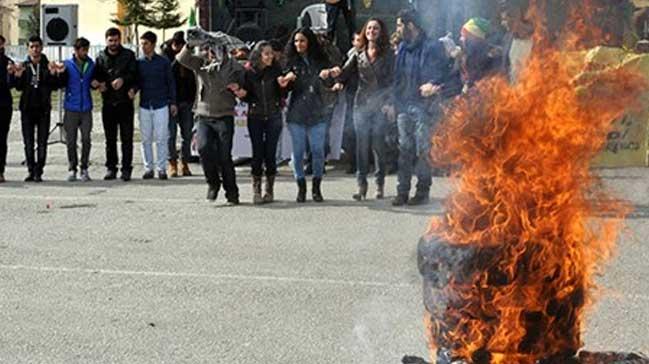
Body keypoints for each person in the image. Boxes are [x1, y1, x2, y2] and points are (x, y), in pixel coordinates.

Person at [387, 9, 449, 206]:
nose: (397, 29)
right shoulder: (404, 47)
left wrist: (433, 84)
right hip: (404, 106)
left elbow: (442, 73)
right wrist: (391, 102)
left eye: (399, 25)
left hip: (424, 107)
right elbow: (397, 78)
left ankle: (422, 191)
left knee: (423, 150)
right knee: (404, 150)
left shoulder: (432, 47)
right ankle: (402, 191)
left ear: (410, 25)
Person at [330, 18, 394, 201]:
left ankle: (379, 183)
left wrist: (389, 102)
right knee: (361, 146)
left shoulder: (388, 54)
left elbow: (393, 80)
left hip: (380, 104)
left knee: (378, 145)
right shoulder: (358, 54)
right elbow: (345, 73)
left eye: (376, 28)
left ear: (381, 32)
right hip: (361, 105)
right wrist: (335, 78)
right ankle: (361, 185)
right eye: (369, 28)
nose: (372, 31)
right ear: (365, 32)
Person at [176, 42, 244, 204]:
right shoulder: (201, 63)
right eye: (210, 50)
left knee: (224, 156)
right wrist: (190, 44)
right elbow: (181, 59)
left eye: (216, 50)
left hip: (224, 115)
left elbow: (243, 85)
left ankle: (232, 192)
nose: (212, 53)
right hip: (203, 115)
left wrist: (238, 87)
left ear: (224, 50)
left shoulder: (233, 66)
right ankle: (213, 183)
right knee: (203, 148)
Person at [282, 27, 334, 203]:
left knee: (318, 151)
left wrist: (328, 76)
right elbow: (282, 88)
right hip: (296, 112)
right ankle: (301, 186)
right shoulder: (290, 61)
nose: (299, 44)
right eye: (296, 41)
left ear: (309, 41)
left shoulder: (320, 60)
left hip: (317, 111)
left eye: (302, 40)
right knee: (297, 152)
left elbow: (330, 82)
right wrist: (286, 81)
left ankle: (316, 187)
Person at [235, 41, 288, 204]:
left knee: (270, 153)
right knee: (257, 153)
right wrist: (240, 93)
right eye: (267, 54)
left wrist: (284, 85)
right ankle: (256, 189)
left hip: (273, 115)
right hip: (255, 115)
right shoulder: (249, 72)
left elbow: (282, 92)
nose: (270, 56)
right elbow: (245, 94)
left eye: (271, 53)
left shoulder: (276, 69)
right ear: (259, 56)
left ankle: (269, 189)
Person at [12, 36, 62, 182]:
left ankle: (39, 170)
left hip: (43, 109)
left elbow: (55, 86)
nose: (35, 49)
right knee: (28, 141)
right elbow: (19, 87)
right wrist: (18, 76)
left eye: (37, 46)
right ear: (28, 48)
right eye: (32, 46)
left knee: (42, 141)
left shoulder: (47, 65)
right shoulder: (24, 65)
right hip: (27, 109)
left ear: (42, 47)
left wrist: (54, 74)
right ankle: (30, 170)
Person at [132, 31, 177, 180]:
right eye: (141, 43)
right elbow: (137, 81)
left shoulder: (163, 62)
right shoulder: (139, 63)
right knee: (145, 138)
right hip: (145, 104)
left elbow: (170, 82)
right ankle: (148, 168)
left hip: (161, 104)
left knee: (162, 137)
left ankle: (162, 168)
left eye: (145, 43)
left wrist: (172, 102)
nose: (142, 46)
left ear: (153, 44)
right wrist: (133, 89)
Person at [94, 27, 137, 181]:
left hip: (125, 103)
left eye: (116, 40)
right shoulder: (100, 57)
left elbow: (135, 75)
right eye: (110, 40)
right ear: (106, 41)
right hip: (108, 103)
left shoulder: (129, 55)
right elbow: (95, 77)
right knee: (110, 139)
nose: (113, 43)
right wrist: (99, 84)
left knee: (127, 138)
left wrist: (124, 80)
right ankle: (111, 168)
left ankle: (126, 169)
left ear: (120, 40)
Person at [59, 37, 96, 182]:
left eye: (87, 49)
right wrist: (59, 73)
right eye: (82, 50)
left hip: (86, 107)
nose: (85, 52)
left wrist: (96, 84)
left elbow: (95, 81)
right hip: (71, 107)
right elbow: (60, 83)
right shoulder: (67, 64)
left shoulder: (91, 64)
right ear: (76, 50)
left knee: (86, 139)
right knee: (71, 140)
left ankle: (84, 167)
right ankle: (72, 168)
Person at [166, 31, 196, 178]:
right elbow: (168, 76)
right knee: (170, 135)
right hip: (172, 103)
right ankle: (172, 163)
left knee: (187, 135)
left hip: (187, 102)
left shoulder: (190, 60)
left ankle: (184, 163)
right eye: (177, 45)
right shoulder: (167, 59)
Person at [460, 17, 502, 92]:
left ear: (474, 37)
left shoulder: (490, 53)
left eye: (465, 35)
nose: (461, 39)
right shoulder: (467, 53)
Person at [0, 35, 14, 183]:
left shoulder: (7, 62)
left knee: (2, 139)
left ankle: (1, 171)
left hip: (3, 105)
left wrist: (11, 74)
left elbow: (12, 85)